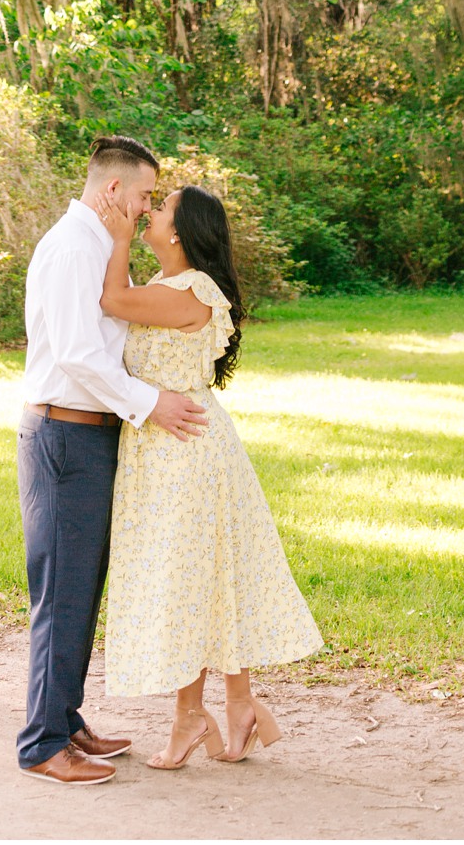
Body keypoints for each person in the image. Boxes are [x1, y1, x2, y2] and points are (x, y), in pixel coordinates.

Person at [97, 181, 324, 768]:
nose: (148, 211)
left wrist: (118, 236)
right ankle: (235, 705)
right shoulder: (166, 287)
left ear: (178, 231)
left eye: (160, 207)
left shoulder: (191, 290)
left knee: (189, 583)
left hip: (187, 453)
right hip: (167, 449)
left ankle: (193, 717)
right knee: (202, 580)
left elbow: (111, 301)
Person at [16, 135, 210, 787]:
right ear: (112, 192)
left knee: (80, 588)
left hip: (92, 436)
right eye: (145, 195)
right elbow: (76, 354)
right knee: (61, 592)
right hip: (64, 437)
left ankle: (65, 720)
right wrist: (150, 401)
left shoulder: (100, 247)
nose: (149, 206)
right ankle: (43, 743)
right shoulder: (74, 249)